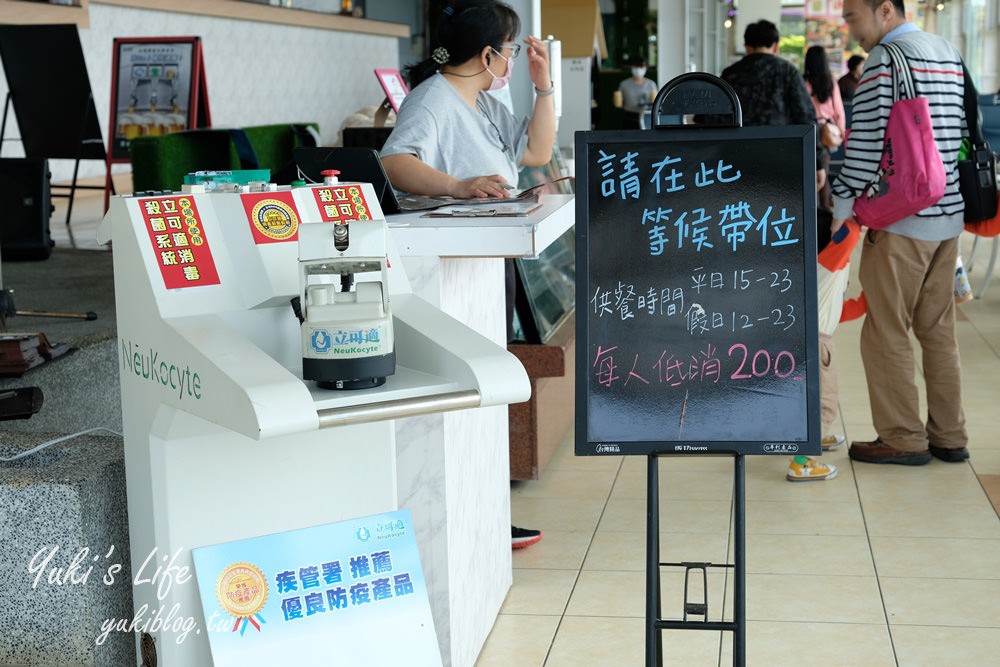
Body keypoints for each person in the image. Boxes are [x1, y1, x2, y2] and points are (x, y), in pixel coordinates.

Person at [380, 0, 555, 547]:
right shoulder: (433, 101)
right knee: (468, 388)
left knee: (487, 386)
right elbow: (395, 162)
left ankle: (484, 514)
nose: (510, 60)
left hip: (483, 261)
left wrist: (544, 87)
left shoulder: (479, 100)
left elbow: (538, 151)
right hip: (450, 269)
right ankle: (470, 521)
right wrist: (459, 186)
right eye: (509, 51)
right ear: (486, 54)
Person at [831, 0, 969, 466]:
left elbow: (865, 143)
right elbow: (961, 130)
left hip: (901, 220)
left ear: (885, 9)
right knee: (937, 330)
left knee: (887, 329)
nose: (850, 28)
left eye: (853, 17)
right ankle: (949, 436)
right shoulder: (946, 49)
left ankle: (903, 437)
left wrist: (843, 209)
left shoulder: (885, 60)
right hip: (947, 216)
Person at [721, 19, 825, 189]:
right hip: (780, 158)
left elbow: (712, 118)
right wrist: (817, 162)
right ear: (776, 46)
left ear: (746, 46)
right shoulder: (788, 72)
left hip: (735, 159)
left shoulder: (730, 74)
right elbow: (806, 118)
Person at [803, 46, 846, 211]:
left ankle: (811, 209)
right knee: (824, 171)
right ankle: (824, 210)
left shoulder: (802, 81)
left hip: (807, 129)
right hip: (826, 131)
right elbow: (839, 111)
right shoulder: (830, 83)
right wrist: (841, 132)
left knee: (809, 170)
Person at [614, 56, 657, 129]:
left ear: (645, 68)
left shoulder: (651, 84)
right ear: (631, 68)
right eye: (636, 67)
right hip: (629, 118)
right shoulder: (624, 84)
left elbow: (655, 101)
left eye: (641, 66)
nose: (638, 69)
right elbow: (619, 103)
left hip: (646, 117)